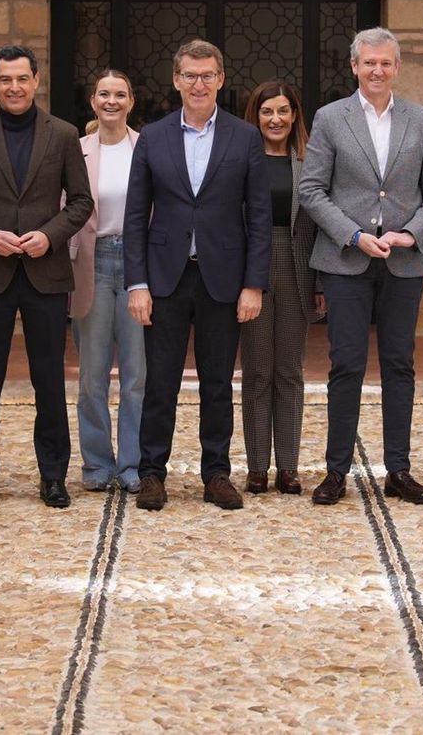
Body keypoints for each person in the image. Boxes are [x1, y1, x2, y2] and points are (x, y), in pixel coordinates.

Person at [299, 28, 423, 507]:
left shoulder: (421, 120)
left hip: (405, 261)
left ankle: (399, 470)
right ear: (354, 66)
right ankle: (336, 471)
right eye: (369, 63)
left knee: (399, 366)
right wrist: (353, 234)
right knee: (345, 365)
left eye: (386, 63)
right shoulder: (330, 118)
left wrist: (412, 232)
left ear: (397, 67)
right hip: (346, 260)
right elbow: (311, 190)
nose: (378, 71)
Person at [0, 45, 93, 512]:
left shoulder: (63, 134)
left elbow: (82, 202)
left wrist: (50, 236)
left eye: (21, 79)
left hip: (45, 274)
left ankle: (53, 476)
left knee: (48, 381)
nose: (13, 87)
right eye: (5, 79)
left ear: (36, 80)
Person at [125, 39, 270, 512]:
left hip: (223, 279)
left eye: (207, 75)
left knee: (217, 383)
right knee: (160, 383)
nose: (199, 83)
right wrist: (138, 283)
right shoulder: (153, 136)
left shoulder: (244, 137)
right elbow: (134, 216)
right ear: (176, 80)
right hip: (165, 279)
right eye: (190, 75)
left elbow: (258, 217)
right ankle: (152, 473)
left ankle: (216, 474)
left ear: (221, 79)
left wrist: (253, 283)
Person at [238, 80, 321, 496]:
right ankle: (256, 467)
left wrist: (321, 281)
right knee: (256, 371)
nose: (276, 119)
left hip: (297, 266)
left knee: (289, 370)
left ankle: (288, 466)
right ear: (256, 116)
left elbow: (323, 222)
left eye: (284, 111)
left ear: (294, 116)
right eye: (267, 111)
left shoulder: (311, 160)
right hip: (252, 269)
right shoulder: (240, 160)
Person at [69, 69, 145, 493]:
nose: (111, 101)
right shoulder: (75, 150)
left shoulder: (146, 149)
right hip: (92, 263)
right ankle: (97, 463)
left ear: (131, 101)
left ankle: (133, 464)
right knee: (92, 375)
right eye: (104, 94)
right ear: (93, 102)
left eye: (120, 94)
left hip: (135, 264)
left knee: (136, 376)